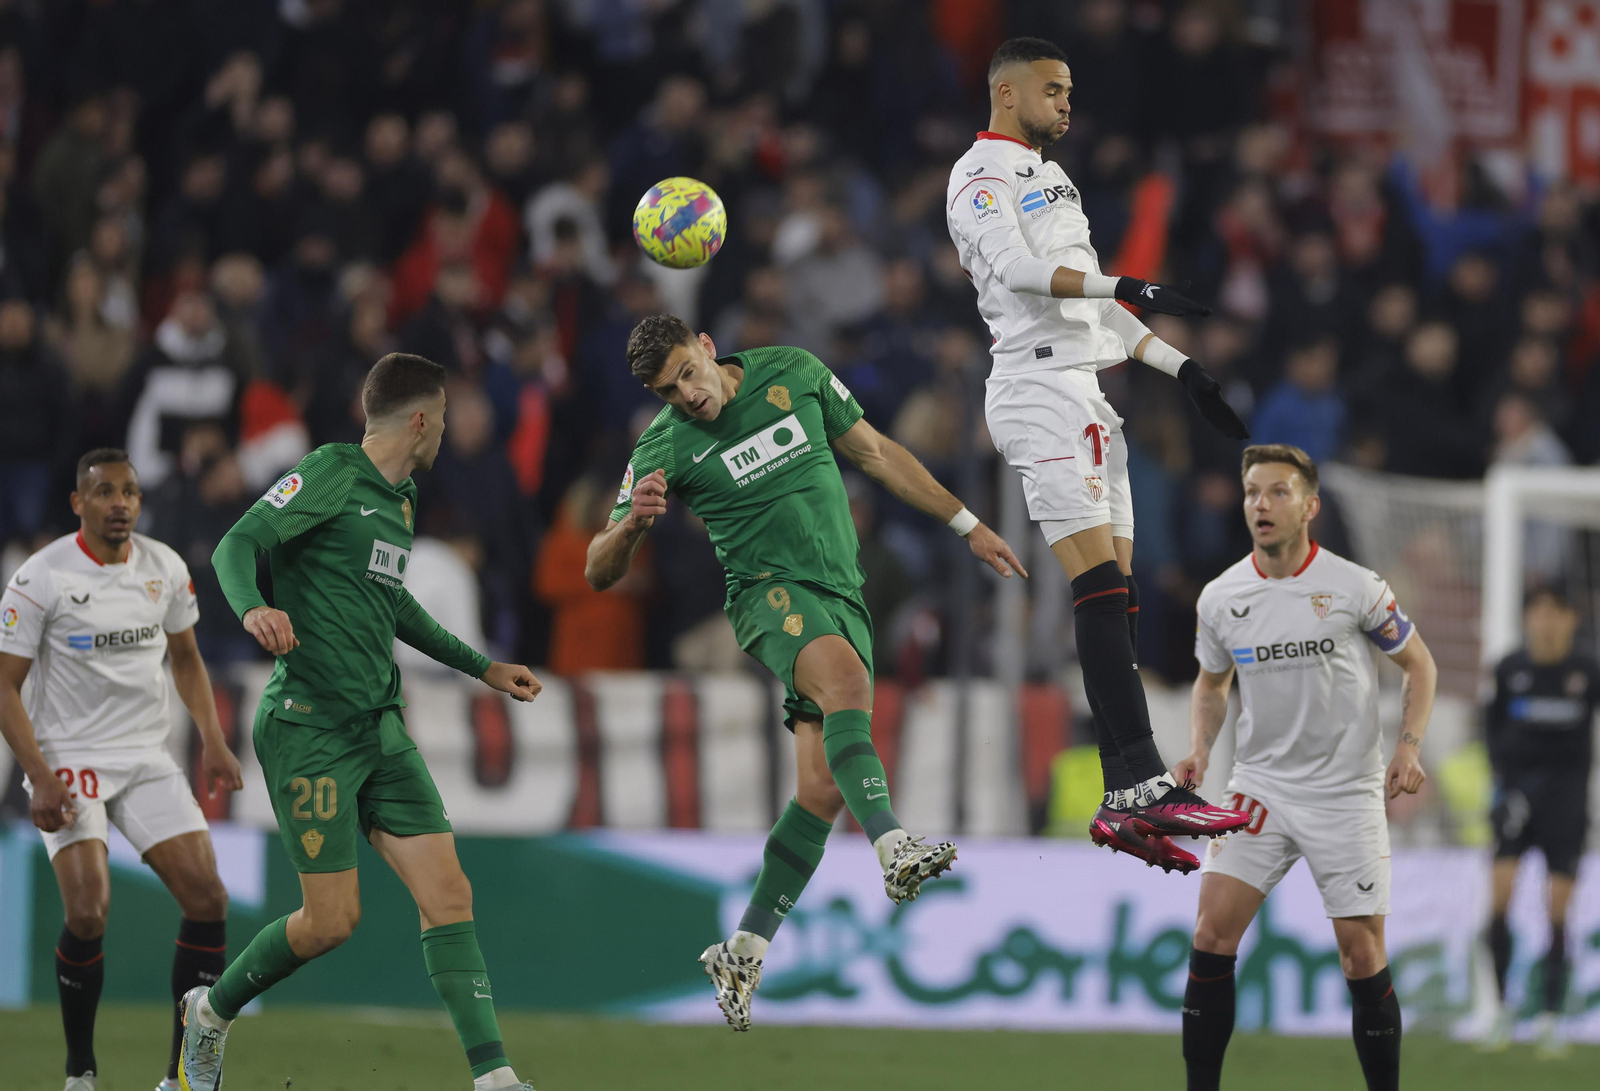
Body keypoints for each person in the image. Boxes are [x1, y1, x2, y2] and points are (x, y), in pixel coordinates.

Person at [584, 315, 1027, 1030]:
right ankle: (894, 844)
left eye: (688, 376)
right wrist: (631, 524)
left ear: (704, 346)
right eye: (669, 392)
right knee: (848, 685)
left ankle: (742, 947)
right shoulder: (662, 448)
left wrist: (966, 523)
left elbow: (878, 453)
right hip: (767, 595)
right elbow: (596, 570)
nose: (688, 397)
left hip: (840, 595)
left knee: (821, 791)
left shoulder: (792, 370)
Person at [175, 354, 544, 1091]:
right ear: (419, 419)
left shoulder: (401, 497)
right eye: (440, 416)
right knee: (330, 920)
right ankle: (210, 1013)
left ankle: (494, 1076)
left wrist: (483, 666)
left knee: (450, 893)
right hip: (309, 727)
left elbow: (392, 602)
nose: (443, 430)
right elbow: (235, 544)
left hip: (381, 728)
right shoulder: (330, 472)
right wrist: (254, 607)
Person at [944, 36, 1254, 868]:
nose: (1066, 102)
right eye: (1052, 89)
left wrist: (1181, 367)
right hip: (1035, 392)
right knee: (1097, 584)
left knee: (1116, 594)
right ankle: (1138, 784)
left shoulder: (1054, 177)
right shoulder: (980, 176)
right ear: (1006, 93)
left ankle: (1129, 794)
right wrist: (1126, 283)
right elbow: (1016, 273)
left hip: (1087, 391)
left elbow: (1092, 306)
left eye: (1071, 88)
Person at [1175, 444, 1438, 1091]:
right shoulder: (1222, 596)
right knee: (1210, 932)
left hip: (1345, 794)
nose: (1261, 505)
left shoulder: (1355, 587)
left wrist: (1408, 744)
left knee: (1361, 953)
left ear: (1310, 506)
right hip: (1260, 786)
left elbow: (1420, 665)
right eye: (1252, 492)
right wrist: (1201, 747)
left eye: (1278, 492)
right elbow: (1211, 685)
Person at [0, 447, 243, 1091]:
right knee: (88, 913)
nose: (120, 504)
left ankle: (182, 1076)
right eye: (104, 492)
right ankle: (81, 1071)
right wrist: (40, 774)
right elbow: (4, 684)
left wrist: (213, 740)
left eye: (129, 492)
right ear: (78, 503)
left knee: (208, 898)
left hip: (144, 757)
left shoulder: (164, 566)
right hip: (69, 760)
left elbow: (186, 659)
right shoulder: (40, 577)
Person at [1480, 585, 1599, 1057]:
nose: (1546, 622)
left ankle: (1550, 1018)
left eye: (1555, 612)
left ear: (1571, 619)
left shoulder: (1587, 671)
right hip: (1517, 797)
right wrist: (1500, 787)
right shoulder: (1511, 669)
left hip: (1567, 801)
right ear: (1528, 618)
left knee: (1558, 910)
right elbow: (1490, 728)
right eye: (1538, 612)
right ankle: (1500, 1011)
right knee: (1500, 897)